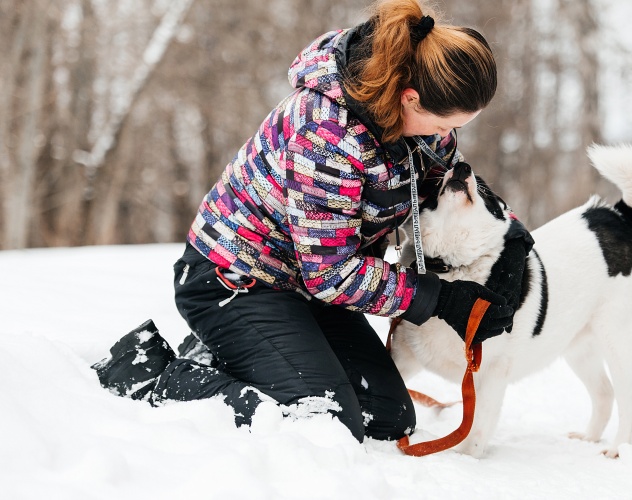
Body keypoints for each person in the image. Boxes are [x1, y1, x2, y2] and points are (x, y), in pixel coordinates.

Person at [92, 0, 532, 443]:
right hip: (237, 279)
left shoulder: (421, 123)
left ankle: (239, 353)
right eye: (442, 125)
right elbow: (331, 274)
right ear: (410, 97)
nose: (445, 137)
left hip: (307, 286)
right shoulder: (326, 135)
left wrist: (512, 240)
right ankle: (153, 374)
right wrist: (439, 298)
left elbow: (448, 181)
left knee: (388, 418)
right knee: (323, 420)